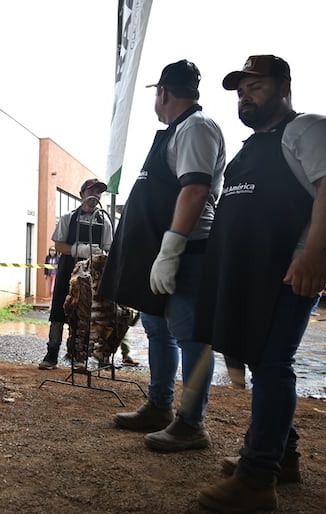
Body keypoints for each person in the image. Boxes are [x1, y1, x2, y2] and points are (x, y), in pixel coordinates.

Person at [195, 55, 326, 513]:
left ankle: (256, 479)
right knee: (259, 356)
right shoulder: (251, 146)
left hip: (289, 268)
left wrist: (311, 252)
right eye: (241, 90)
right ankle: (283, 458)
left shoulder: (313, 129)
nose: (245, 96)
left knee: (272, 362)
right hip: (249, 273)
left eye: (256, 86)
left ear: (284, 85)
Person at [98, 59, 226, 452]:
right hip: (161, 254)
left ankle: (192, 423)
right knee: (157, 329)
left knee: (192, 338)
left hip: (189, 254)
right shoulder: (174, 132)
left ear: (164, 93)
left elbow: (194, 190)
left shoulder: (196, 128)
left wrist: (171, 250)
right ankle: (159, 406)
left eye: (157, 93)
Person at [38, 178, 114, 370]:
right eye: (91, 191)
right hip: (67, 271)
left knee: (85, 314)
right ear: (82, 195)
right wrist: (76, 250)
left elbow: (108, 248)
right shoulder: (68, 218)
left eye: (98, 192)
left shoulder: (104, 220)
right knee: (58, 311)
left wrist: (98, 254)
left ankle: (78, 355)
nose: (95, 196)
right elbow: (58, 245)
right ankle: (52, 353)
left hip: (91, 273)